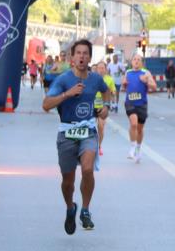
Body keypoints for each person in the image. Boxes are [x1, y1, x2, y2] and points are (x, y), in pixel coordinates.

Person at [41, 39, 109, 234]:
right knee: (68, 181)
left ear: (89, 57)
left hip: (87, 129)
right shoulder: (63, 80)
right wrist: (67, 95)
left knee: (88, 170)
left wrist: (105, 108)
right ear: (72, 57)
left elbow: (106, 93)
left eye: (85, 53)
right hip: (67, 131)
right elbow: (46, 105)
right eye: (78, 53)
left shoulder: (95, 79)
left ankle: (85, 210)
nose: (82, 56)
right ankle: (71, 208)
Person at [121, 53, 157, 162]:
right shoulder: (127, 72)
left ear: (141, 62)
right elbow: (124, 85)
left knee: (140, 129)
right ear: (131, 62)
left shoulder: (146, 73)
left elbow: (154, 87)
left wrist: (146, 81)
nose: (136, 61)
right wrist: (124, 83)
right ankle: (132, 147)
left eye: (138, 59)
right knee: (133, 124)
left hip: (142, 104)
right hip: (130, 102)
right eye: (134, 59)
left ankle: (138, 147)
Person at [95, 60, 115, 156]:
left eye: (103, 68)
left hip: (103, 106)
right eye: (99, 68)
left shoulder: (109, 79)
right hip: (92, 106)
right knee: (90, 127)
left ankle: (99, 146)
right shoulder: (92, 79)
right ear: (96, 69)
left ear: (106, 69)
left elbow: (113, 91)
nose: (101, 70)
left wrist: (112, 93)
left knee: (101, 127)